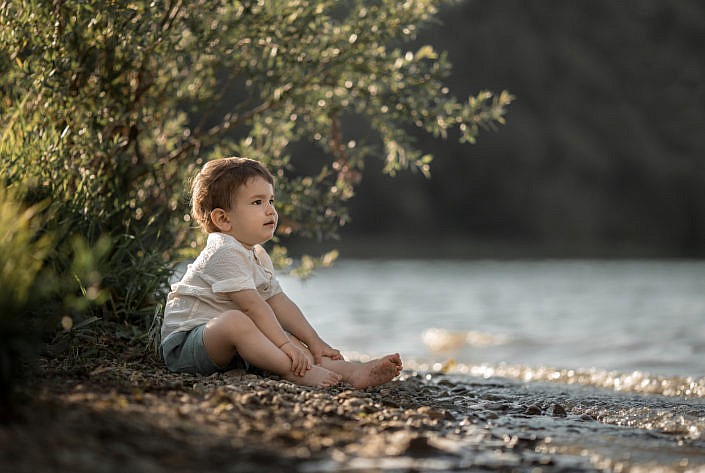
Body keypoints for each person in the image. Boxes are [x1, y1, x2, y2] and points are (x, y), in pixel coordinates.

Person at [161, 157, 403, 388]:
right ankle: (294, 371)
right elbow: (253, 307)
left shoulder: (257, 254)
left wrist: (313, 342)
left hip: (232, 347)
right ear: (223, 219)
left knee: (289, 338)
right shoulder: (222, 251)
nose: (270, 211)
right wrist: (285, 344)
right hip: (188, 347)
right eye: (258, 202)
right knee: (239, 322)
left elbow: (278, 302)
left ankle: (351, 372)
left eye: (271, 201)